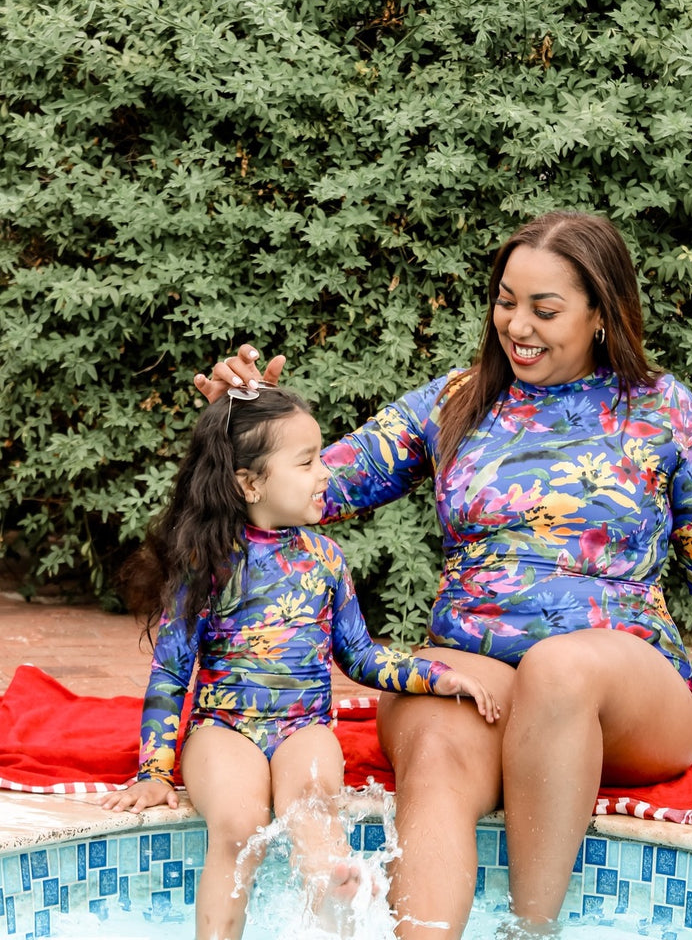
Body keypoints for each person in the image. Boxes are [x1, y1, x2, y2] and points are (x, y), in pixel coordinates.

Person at [195, 210, 692, 939]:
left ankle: (528, 932)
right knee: (436, 744)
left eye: (545, 309)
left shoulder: (663, 415)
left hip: (624, 693)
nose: (518, 324)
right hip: (472, 674)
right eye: (507, 300)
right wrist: (245, 431)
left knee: (560, 667)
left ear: (602, 314)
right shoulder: (457, 400)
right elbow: (316, 489)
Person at [100, 383, 499, 940]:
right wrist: (153, 771)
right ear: (250, 481)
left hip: (302, 730)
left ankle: (335, 901)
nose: (323, 475)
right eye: (308, 461)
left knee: (316, 818)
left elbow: (358, 655)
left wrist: (436, 677)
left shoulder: (326, 560)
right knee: (238, 827)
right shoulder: (208, 562)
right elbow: (171, 672)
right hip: (223, 729)